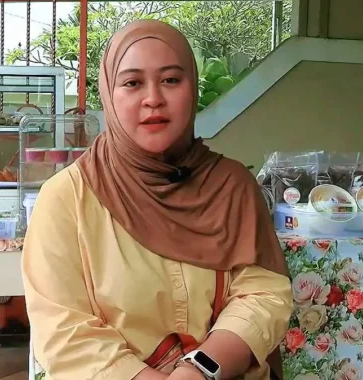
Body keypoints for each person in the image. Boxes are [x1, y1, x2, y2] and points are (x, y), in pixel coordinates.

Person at [22, 20, 293, 380]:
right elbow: (63, 329)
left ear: (192, 88)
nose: (153, 99)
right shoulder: (67, 197)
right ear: (109, 94)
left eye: (170, 80)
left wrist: (199, 371)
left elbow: (263, 295)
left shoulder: (231, 186)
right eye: (132, 83)